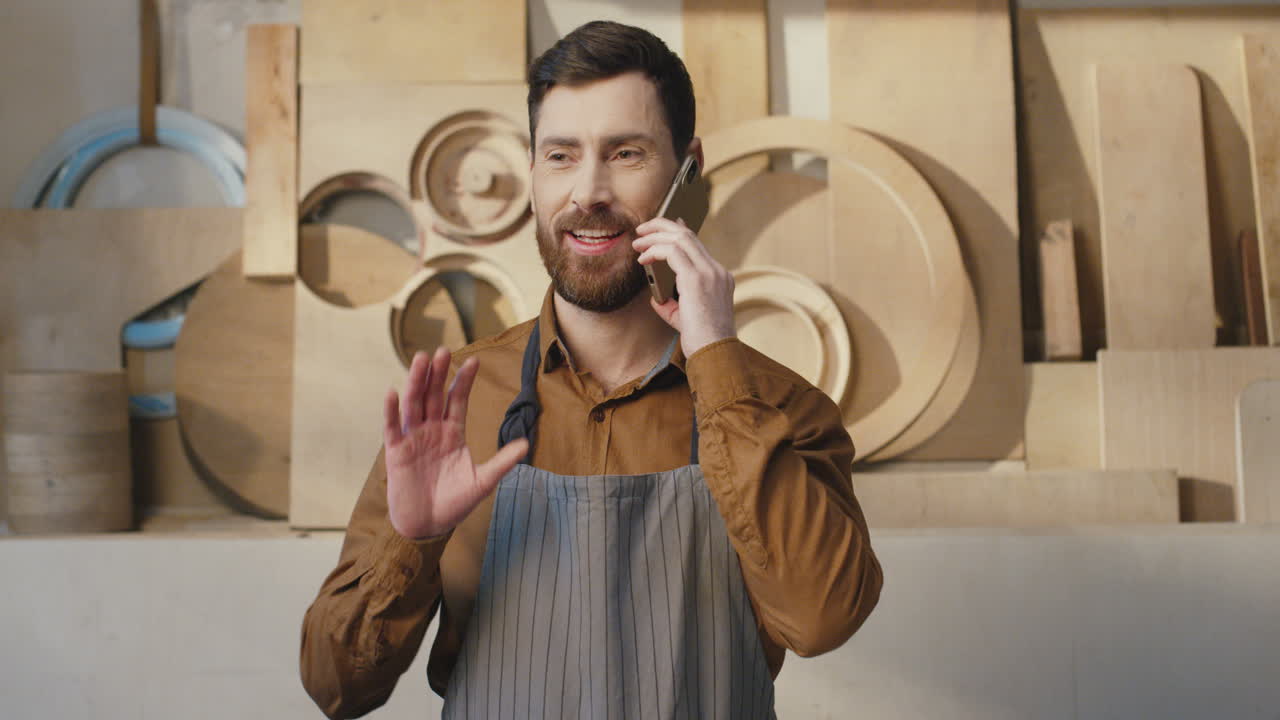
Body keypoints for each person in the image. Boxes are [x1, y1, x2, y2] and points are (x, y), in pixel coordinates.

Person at [300, 20, 882, 719]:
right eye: (562, 156)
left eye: (625, 153)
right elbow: (336, 688)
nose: (588, 192)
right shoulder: (454, 405)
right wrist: (413, 540)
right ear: (535, 172)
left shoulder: (778, 407)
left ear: (687, 171)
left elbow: (822, 620)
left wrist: (719, 370)